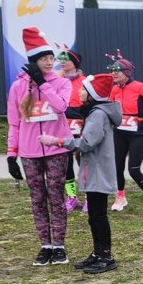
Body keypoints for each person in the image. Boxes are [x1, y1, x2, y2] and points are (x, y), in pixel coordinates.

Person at [39, 73, 122, 274]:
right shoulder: (95, 112)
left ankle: (105, 256)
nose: (80, 91)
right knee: (94, 216)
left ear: (93, 94)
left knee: (98, 215)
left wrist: (57, 141)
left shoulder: (97, 115)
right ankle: (98, 252)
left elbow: (85, 144)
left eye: (84, 89)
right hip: (94, 172)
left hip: (98, 173)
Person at [6, 27, 73, 266]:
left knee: (56, 196)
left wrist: (42, 83)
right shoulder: (17, 87)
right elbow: (14, 123)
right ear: (33, 61)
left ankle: (60, 246)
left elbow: (61, 106)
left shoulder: (61, 83)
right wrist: (11, 154)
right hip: (29, 152)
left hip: (57, 149)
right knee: (37, 199)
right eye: (43, 58)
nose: (49, 62)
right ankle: (45, 245)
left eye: (51, 58)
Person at [107, 53, 143, 213]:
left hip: (137, 134)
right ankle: (120, 197)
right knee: (117, 167)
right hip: (119, 132)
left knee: (134, 169)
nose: (114, 73)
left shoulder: (139, 87)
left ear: (126, 73)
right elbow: (111, 108)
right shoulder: (114, 89)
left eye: (117, 71)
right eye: (112, 70)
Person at [58, 48, 85, 212]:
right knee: (66, 164)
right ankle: (72, 197)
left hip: (81, 125)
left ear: (74, 62)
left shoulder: (85, 81)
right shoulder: (56, 80)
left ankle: (89, 197)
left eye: (65, 59)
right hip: (62, 125)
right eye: (60, 59)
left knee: (83, 162)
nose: (62, 61)